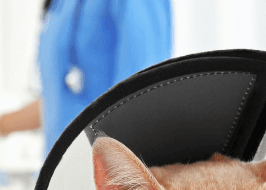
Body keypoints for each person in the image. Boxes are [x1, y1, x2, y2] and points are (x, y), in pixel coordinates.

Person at [0, 0, 173, 157]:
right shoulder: (62, 5)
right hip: (61, 172)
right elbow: (62, 102)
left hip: (106, 175)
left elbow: (143, 95)